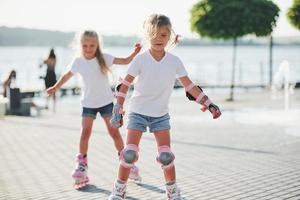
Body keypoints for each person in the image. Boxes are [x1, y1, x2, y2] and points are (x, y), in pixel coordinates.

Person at [108, 14, 221, 200]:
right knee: (129, 154)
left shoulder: (174, 61)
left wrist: (208, 103)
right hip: (137, 112)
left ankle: (172, 191)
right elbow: (124, 85)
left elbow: (190, 86)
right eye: (153, 34)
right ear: (146, 35)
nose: (158, 39)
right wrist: (117, 108)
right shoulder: (140, 59)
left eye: (163, 35)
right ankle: (119, 189)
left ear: (169, 36)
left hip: (160, 114)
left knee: (166, 156)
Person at [46, 30, 142, 189]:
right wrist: (55, 87)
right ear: (80, 45)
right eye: (85, 45)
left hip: (106, 102)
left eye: (92, 45)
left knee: (114, 132)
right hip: (88, 104)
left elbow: (125, 61)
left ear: (97, 45)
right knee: (85, 133)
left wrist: (135, 53)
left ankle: (127, 162)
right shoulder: (78, 61)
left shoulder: (103, 58)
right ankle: (81, 165)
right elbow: (66, 76)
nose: (89, 48)